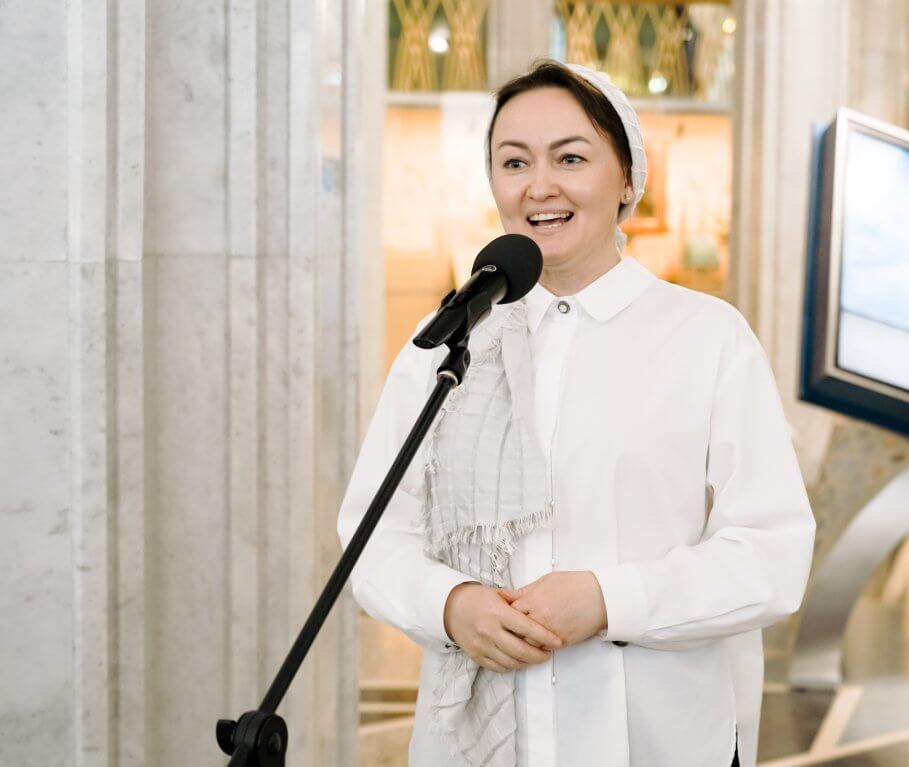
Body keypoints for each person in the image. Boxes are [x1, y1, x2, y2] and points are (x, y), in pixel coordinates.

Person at [338, 60, 815, 767]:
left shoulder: (707, 337)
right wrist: (451, 604)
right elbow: (374, 533)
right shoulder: (449, 341)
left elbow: (771, 553)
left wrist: (607, 598)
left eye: (570, 158)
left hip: (661, 739)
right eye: (514, 162)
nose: (539, 187)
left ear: (627, 178)